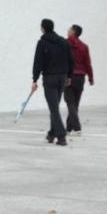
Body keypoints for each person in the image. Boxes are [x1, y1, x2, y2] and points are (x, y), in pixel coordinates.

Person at [31, 18, 74, 146]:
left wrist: (35, 79)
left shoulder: (42, 43)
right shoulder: (63, 42)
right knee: (54, 107)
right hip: (62, 78)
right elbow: (71, 60)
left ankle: (61, 137)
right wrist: (69, 76)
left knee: (53, 108)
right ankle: (51, 134)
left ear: (43, 28)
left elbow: (37, 62)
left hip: (50, 79)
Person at [64, 24, 94, 134]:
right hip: (80, 77)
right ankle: (68, 128)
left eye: (69, 29)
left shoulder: (64, 43)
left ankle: (77, 128)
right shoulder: (84, 46)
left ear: (73, 32)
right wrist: (91, 77)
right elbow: (88, 64)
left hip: (69, 77)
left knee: (70, 103)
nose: (67, 30)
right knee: (75, 103)